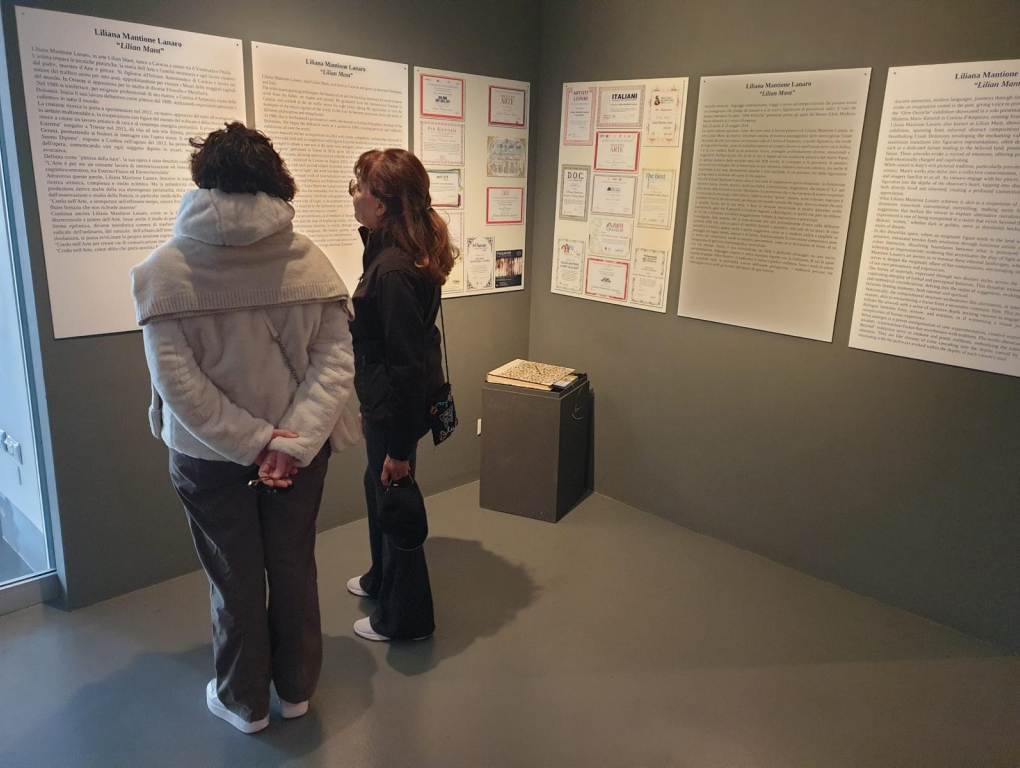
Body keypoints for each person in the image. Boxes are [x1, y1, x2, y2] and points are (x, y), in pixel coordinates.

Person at [130, 122, 359, 734]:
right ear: (274, 179)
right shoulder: (310, 260)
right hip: (300, 454)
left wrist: (253, 444)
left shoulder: (164, 270)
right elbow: (335, 362)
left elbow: (180, 385)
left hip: (208, 457)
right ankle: (296, 691)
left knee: (232, 577)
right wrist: (289, 443)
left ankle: (245, 703)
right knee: (293, 566)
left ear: (203, 180)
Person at [346, 148, 455, 642]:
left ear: (382, 203)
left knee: (394, 495)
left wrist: (399, 448)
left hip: (395, 405)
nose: (354, 195)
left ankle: (405, 618)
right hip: (385, 403)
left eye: (360, 187)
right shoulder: (395, 250)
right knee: (377, 486)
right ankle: (382, 578)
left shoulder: (392, 269)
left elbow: (405, 367)